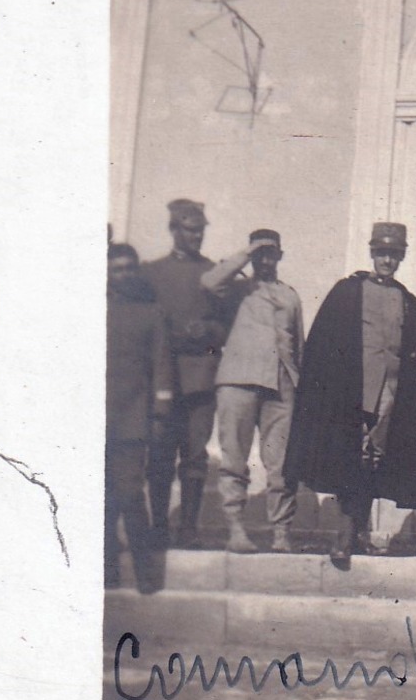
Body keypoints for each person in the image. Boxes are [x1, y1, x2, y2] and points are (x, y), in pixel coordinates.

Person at [285, 222, 416, 567]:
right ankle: (344, 534)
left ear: (401, 257)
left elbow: (414, 351)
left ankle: (357, 534)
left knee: (374, 460)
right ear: (373, 253)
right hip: (351, 390)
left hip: (391, 393)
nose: (387, 260)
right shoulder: (348, 291)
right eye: (382, 253)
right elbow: (324, 341)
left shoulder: (408, 301)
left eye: (394, 254)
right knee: (348, 457)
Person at [201, 228, 304, 554]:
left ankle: (281, 533)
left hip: (280, 385)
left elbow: (297, 345)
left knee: (282, 463)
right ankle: (235, 530)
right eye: (260, 253)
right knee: (234, 458)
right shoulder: (237, 288)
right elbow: (209, 282)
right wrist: (246, 252)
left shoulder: (290, 296)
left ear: (280, 256)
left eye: (271, 252)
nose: (265, 259)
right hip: (239, 381)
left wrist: (297, 386)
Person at [141, 198, 228, 548]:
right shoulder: (151, 273)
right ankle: (159, 526)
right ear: (174, 229)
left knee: (194, 455)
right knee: (160, 453)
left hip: (200, 380)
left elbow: (228, 325)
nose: (197, 237)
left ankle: (189, 528)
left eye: (201, 231)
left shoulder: (213, 273)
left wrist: (205, 331)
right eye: (190, 230)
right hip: (162, 381)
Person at [106, 243, 172, 592]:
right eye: (117, 269)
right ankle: (107, 573)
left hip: (132, 421)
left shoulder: (151, 313)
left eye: (130, 268)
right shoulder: (93, 311)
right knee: (103, 499)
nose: (125, 274)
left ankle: (147, 577)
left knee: (131, 495)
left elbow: (162, 366)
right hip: (97, 421)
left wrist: (160, 411)